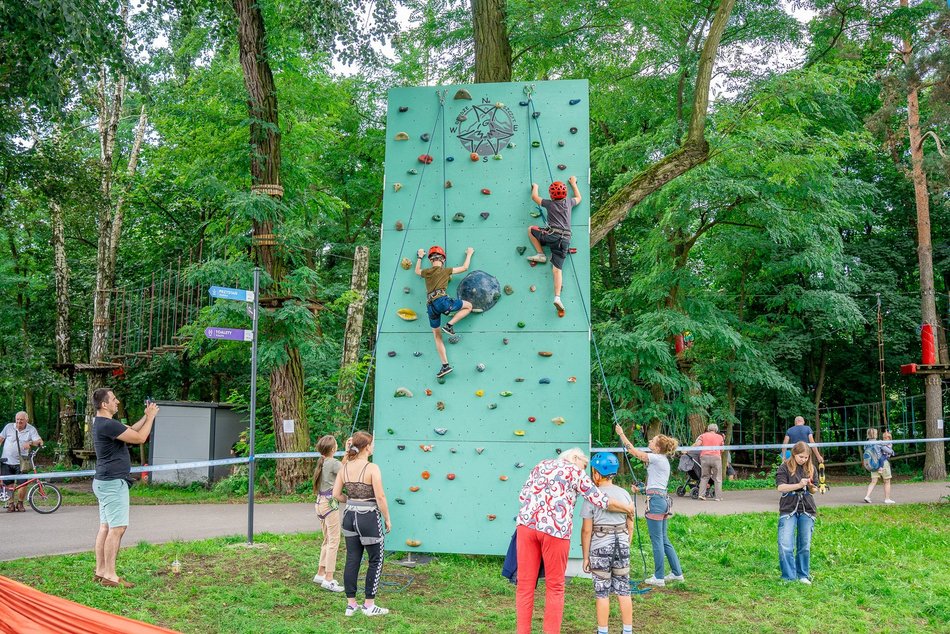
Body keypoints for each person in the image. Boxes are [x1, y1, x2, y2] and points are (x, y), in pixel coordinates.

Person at [515, 448, 635, 634]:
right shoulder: (575, 472)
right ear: (575, 459)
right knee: (555, 587)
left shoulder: (542, 464)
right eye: (584, 466)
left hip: (526, 527)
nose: (585, 471)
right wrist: (627, 508)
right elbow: (601, 500)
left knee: (524, 586)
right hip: (555, 530)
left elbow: (522, 496)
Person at [91, 388, 158, 587]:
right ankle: (110, 576)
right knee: (117, 528)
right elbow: (140, 438)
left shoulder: (103, 423)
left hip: (104, 482)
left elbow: (131, 430)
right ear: (105, 404)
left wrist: (145, 416)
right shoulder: (108, 425)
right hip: (113, 483)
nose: (117, 401)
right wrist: (151, 418)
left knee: (105, 528)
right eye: (114, 399)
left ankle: (101, 571)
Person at [615, 424, 684, 587]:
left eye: (652, 440)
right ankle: (677, 573)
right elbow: (656, 485)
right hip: (661, 500)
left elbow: (634, 452)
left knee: (657, 540)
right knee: (664, 539)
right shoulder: (662, 460)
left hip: (656, 502)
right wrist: (641, 489)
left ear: (658, 448)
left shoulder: (656, 458)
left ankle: (659, 577)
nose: (650, 441)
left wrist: (622, 434)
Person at [333, 431, 392, 617]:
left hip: (349, 517)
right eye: (372, 444)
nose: (373, 447)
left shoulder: (344, 467)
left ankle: (351, 605)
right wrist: (387, 518)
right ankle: (369, 605)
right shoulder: (372, 467)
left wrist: (351, 501)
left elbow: (336, 494)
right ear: (367, 447)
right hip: (368, 517)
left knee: (352, 558)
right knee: (376, 559)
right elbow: (380, 497)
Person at [580, 452, 634, 634]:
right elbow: (630, 523)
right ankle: (627, 630)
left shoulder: (592, 496)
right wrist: (627, 543)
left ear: (596, 473)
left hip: (600, 546)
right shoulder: (624, 494)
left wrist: (585, 557)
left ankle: (603, 631)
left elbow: (587, 530)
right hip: (622, 545)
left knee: (602, 592)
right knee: (624, 589)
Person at [415, 245, 475, 378]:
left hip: (430, 306)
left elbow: (417, 271)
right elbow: (464, 268)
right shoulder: (446, 270)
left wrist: (419, 256)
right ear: (443, 259)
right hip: (442, 301)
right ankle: (449, 325)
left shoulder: (427, 272)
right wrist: (469, 253)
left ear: (431, 260)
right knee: (469, 306)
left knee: (437, 335)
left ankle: (445, 365)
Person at [527, 175, 582, 318]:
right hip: (565, 240)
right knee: (557, 270)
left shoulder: (549, 204)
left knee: (531, 229)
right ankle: (557, 297)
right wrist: (573, 183)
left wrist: (535, 187)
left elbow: (534, 197)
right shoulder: (569, 202)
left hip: (552, 236)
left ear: (551, 195)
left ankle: (540, 254)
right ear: (565, 193)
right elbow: (579, 198)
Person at [776, 441, 818, 584]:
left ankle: (802, 575)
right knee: (785, 544)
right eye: (801, 457)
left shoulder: (811, 468)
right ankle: (788, 576)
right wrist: (799, 485)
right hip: (788, 508)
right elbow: (780, 487)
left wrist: (810, 486)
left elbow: (815, 489)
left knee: (804, 545)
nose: (803, 460)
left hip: (807, 508)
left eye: (806, 457)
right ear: (794, 454)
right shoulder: (784, 467)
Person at [312, 435, 344, 592]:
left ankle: (321, 573)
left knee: (327, 539)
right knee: (334, 541)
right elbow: (346, 473)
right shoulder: (334, 463)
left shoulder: (323, 462)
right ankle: (329, 579)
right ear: (333, 448)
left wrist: (346, 455)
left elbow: (340, 468)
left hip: (320, 503)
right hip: (330, 504)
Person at [0, 411, 44, 512]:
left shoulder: (31, 429)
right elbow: (0, 439)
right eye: (17, 419)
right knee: (8, 483)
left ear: (26, 420)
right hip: (6, 460)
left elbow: (40, 442)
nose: (19, 421)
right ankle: (11, 504)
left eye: (21, 420)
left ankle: (20, 503)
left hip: (22, 462)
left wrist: (30, 443)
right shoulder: (9, 427)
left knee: (23, 483)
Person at [863, 428, 896, 505]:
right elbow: (888, 451)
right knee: (887, 481)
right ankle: (887, 499)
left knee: (873, 481)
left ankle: (867, 496)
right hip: (883, 463)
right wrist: (892, 452)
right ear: (875, 434)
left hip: (873, 464)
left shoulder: (866, 444)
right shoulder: (879, 443)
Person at [693, 422, 724, 501]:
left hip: (704, 457)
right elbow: (722, 449)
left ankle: (701, 495)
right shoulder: (720, 437)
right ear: (716, 429)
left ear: (708, 429)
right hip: (716, 458)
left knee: (704, 477)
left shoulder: (703, 435)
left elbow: (697, 445)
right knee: (717, 478)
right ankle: (718, 497)